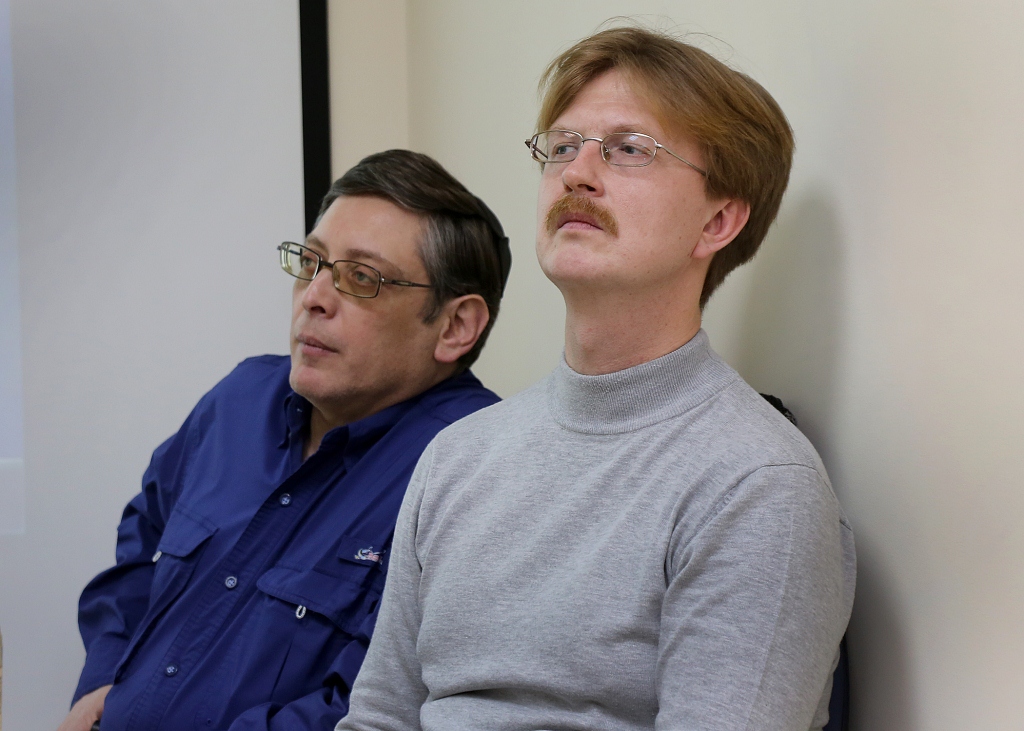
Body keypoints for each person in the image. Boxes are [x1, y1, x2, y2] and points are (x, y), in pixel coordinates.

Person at [336, 27, 856, 731]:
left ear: (719, 220)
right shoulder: (456, 457)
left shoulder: (759, 485)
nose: (576, 173)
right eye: (561, 146)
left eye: (629, 148)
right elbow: (378, 718)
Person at [59, 149, 512, 731]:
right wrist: (102, 678)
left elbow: (377, 704)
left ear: (454, 326)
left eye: (361, 278)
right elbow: (140, 547)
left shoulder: (475, 467)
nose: (314, 296)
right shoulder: (241, 398)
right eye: (311, 263)